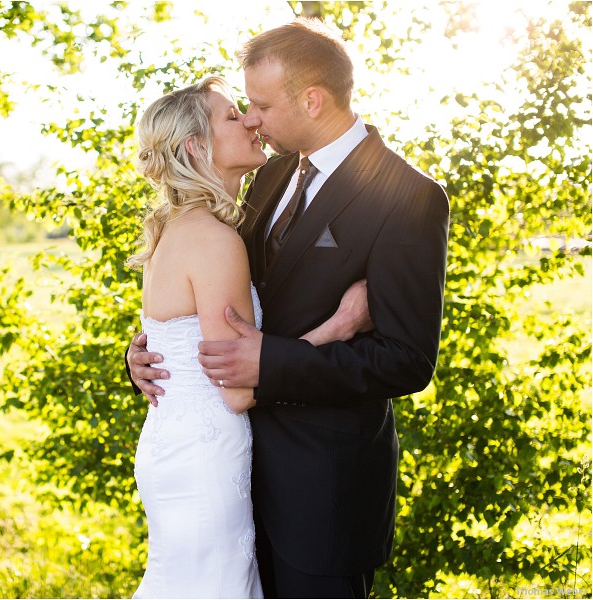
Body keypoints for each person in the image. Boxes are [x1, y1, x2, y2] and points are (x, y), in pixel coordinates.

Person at [127, 19, 450, 599]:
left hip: (320, 497)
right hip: (232, 479)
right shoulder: (269, 174)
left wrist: (275, 364)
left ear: (312, 99)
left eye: (260, 105)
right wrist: (148, 357)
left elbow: (406, 360)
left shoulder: (407, 196)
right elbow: (216, 307)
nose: (251, 119)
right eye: (242, 109)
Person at [127, 75, 374, 599]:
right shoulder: (215, 241)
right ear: (197, 145)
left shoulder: (182, 226)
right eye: (232, 115)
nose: (250, 121)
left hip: (178, 446)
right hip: (205, 456)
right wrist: (341, 325)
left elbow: (177, 340)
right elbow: (238, 389)